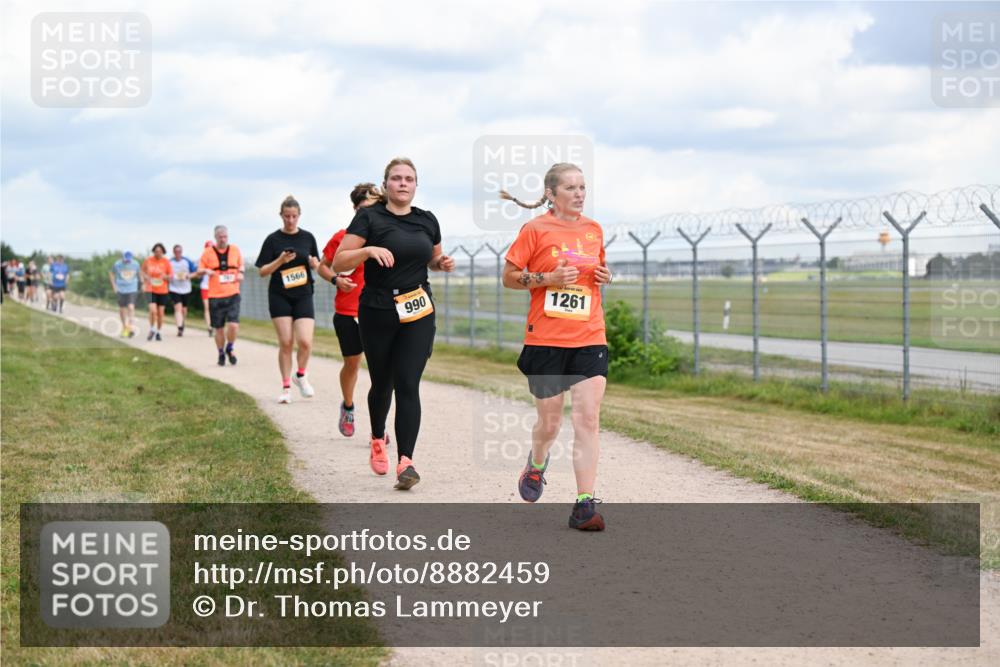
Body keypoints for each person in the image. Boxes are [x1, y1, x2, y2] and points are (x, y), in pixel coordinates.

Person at [501, 162, 612, 531]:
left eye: (583, 187)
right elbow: (510, 278)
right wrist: (548, 278)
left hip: (589, 336)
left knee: (587, 418)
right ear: (551, 194)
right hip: (546, 340)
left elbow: (598, 274)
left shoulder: (594, 230)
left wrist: (603, 276)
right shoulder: (534, 230)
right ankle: (537, 462)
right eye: (571, 188)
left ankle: (584, 504)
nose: (579, 194)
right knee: (549, 423)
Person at [333, 157, 454, 490]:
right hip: (378, 308)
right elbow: (339, 260)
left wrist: (441, 263)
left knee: (408, 383)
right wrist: (368, 250)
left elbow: (432, 258)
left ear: (416, 185)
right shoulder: (369, 217)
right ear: (386, 185)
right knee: (382, 382)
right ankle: (375, 438)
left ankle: (406, 462)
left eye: (409, 179)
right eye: (397, 178)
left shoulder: (427, 220)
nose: (403, 183)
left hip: (417, 307)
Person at [255, 195, 328, 403]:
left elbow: (317, 263)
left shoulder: (308, 238)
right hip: (279, 295)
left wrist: (315, 265)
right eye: (286, 216)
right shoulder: (273, 240)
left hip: (303, 294)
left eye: (294, 216)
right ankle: (286, 387)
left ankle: (301, 375)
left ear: (299, 216)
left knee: (305, 342)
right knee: (286, 342)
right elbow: (262, 271)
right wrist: (280, 259)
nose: (290, 220)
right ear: (281, 216)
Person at [321, 183, 380, 435]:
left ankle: (379, 426)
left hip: (379, 311)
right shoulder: (341, 238)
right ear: (356, 209)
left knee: (382, 371)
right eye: (366, 208)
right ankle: (348, 406)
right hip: (348, 312)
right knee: (353, 365)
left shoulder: (385, 236)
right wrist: (336, 280)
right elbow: (323, 266)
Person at [196, 225, 244, 366]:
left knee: (233, 325)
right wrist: (206, 271)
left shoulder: (235, 250)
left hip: (233, 293)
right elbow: (199, 270)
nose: (223, 239)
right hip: (215, 296)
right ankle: (221, 353)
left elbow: (241, 265)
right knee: (219, 328)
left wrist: (241, 273)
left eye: (225, 237)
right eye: (220, 237)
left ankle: (230, 347)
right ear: (215, 237)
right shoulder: (208, 253)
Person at [141, 243, 173, 341]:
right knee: (153, 311)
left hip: (162, 290)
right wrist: (145, 279)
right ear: (153, 251)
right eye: (156, 251)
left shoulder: (166, 262)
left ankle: (158, 332)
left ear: (163, 252)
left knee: (160, 313)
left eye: (160, 251)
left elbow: (171, 276)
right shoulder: (148, 260)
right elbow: (142, 272)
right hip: (150, 289)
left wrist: (166, 277)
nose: (158, 253)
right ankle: (152, 329)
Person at [109, 250, 141, 337]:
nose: (127, 261)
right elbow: (111, 274)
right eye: (126, 260)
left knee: (131, 307)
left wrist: (143, 283)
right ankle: (124, 327)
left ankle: (130, 328)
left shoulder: (136, 264)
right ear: (122, 258)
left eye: (129, 260)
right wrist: (114, 286)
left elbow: (139, 274)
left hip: (132, 288)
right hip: (121, 289)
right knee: (122, 309)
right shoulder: (117, 264)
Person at [168, 244, 196, 336]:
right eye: (176, 252)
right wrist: (170, 277)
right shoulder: (170, 262)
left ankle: (182, 323)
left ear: (181, 252)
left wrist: (188, 276)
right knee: (178, 308)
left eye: (179, 251)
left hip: (186, 289)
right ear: (173, 252)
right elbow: (165, 274)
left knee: (184, 310)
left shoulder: (187, 261)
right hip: (174, 288)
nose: (178, 253)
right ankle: (179, 328)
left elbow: (196, 272)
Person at [200, 241, 214, 335]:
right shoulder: (203, 260)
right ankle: (209, 327)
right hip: (205, 287)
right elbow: (198, 272)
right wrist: (205, 270)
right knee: (207, 307)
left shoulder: (218, 259)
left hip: (215, 287)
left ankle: (215, 325)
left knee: (214, 307)